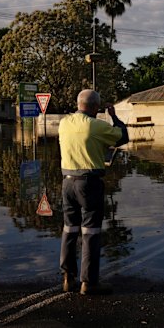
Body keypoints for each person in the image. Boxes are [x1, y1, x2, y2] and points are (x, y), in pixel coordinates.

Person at [58, 89, 129, 295]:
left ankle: (67, 278)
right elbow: (122, 137)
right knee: (90, 232)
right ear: (96, 108)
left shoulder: (64, 123)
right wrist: (113, 115)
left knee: (69, 229)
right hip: (89, 184)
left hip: (67, 183)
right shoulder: (97, 126)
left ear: (78, 103)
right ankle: (88, 283)